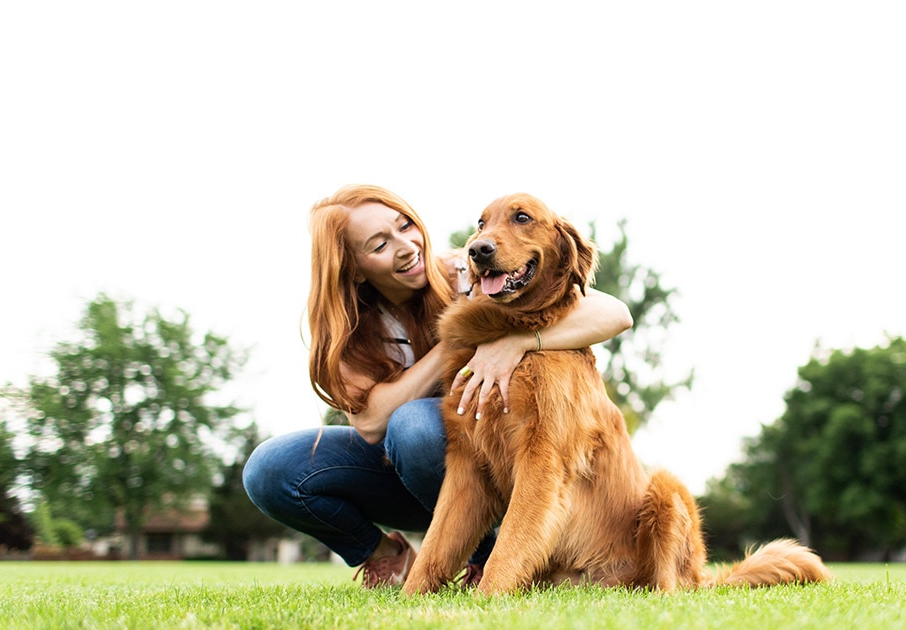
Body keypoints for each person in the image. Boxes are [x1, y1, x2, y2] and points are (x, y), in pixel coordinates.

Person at [242, 184, 633, 587]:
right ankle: (389, 558)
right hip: (404, 470)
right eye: (379, 244)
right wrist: (459, 336)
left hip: (488, 466)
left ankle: (493, 560)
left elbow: (614, 313)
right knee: (271, 469)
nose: (406, 246)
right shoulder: (346, 329)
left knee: (418, 428)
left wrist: (517, 341)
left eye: (405, 225)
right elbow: (373, 423)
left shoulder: (465, 268)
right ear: (353, 267)